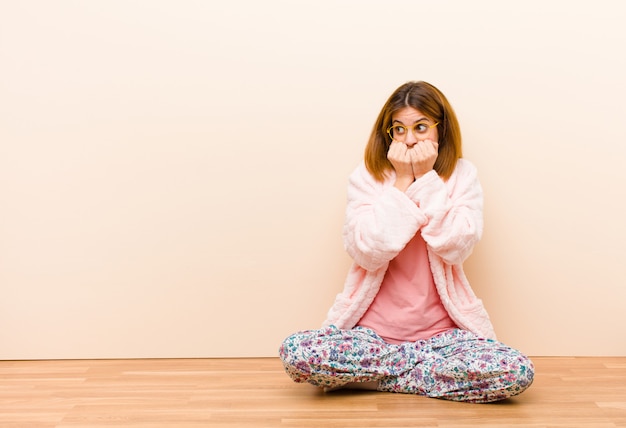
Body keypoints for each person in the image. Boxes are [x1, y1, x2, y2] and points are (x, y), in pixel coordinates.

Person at [278, 81, 534, 403]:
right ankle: (423, 376)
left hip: (444, 340)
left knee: (516, 370)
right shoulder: (367, 178)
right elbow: (367, 251)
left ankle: (378, 378)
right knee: (296, 352)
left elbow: (457, 245)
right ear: (388, 134)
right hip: (372, 338)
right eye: (399, 129)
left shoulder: (462, 176)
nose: (409, 139)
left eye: (421, 127)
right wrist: (401, 181)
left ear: (441, 130)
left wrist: (426, 179)